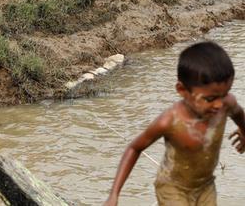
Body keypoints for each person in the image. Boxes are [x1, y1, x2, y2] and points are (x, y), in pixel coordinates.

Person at [104, 41, 245, 206]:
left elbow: (239, 115)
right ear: (182, 91)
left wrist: (244, 132)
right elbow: (134, 148)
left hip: (205, 185)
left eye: (224, 94)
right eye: (210, 99)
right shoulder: (170, 121)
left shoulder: (227, 104)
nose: (219, 104)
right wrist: (114, 194)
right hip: (172, 187)